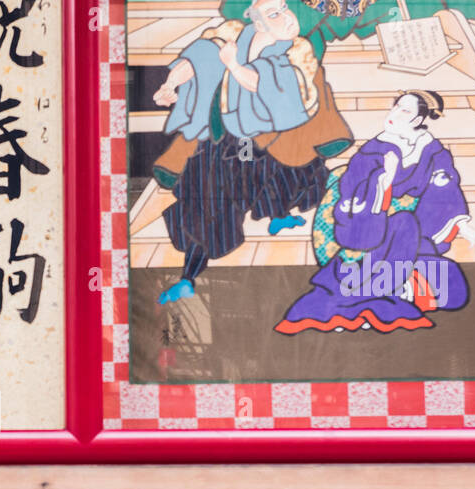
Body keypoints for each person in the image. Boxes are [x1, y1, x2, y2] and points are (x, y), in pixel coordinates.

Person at [150, 0, 350, 303]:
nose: (286, 18)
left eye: (284, 9)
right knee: (208, 205)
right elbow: (198, 59)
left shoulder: (299, 50)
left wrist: (232, 64)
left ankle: (278, 215)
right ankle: (188, 277)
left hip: (274, 134)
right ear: (258, 22)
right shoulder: (232, 34)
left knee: (289, 171)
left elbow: (267, 86)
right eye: (275, 14)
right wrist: (170, 84)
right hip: (226, 138)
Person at [275, 90, 475, 333]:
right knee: (404, 222)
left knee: (453, 290)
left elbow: (444, 189)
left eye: (404, 110)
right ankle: (385, 288)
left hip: (411, 244)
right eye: (395, 106)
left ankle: (394, 285)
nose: (394, 113)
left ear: (418, 120)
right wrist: (384, 180)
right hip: (367, 236)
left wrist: (460, 224)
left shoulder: (433, 151)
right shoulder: (373, 150)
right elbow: (352, 193)